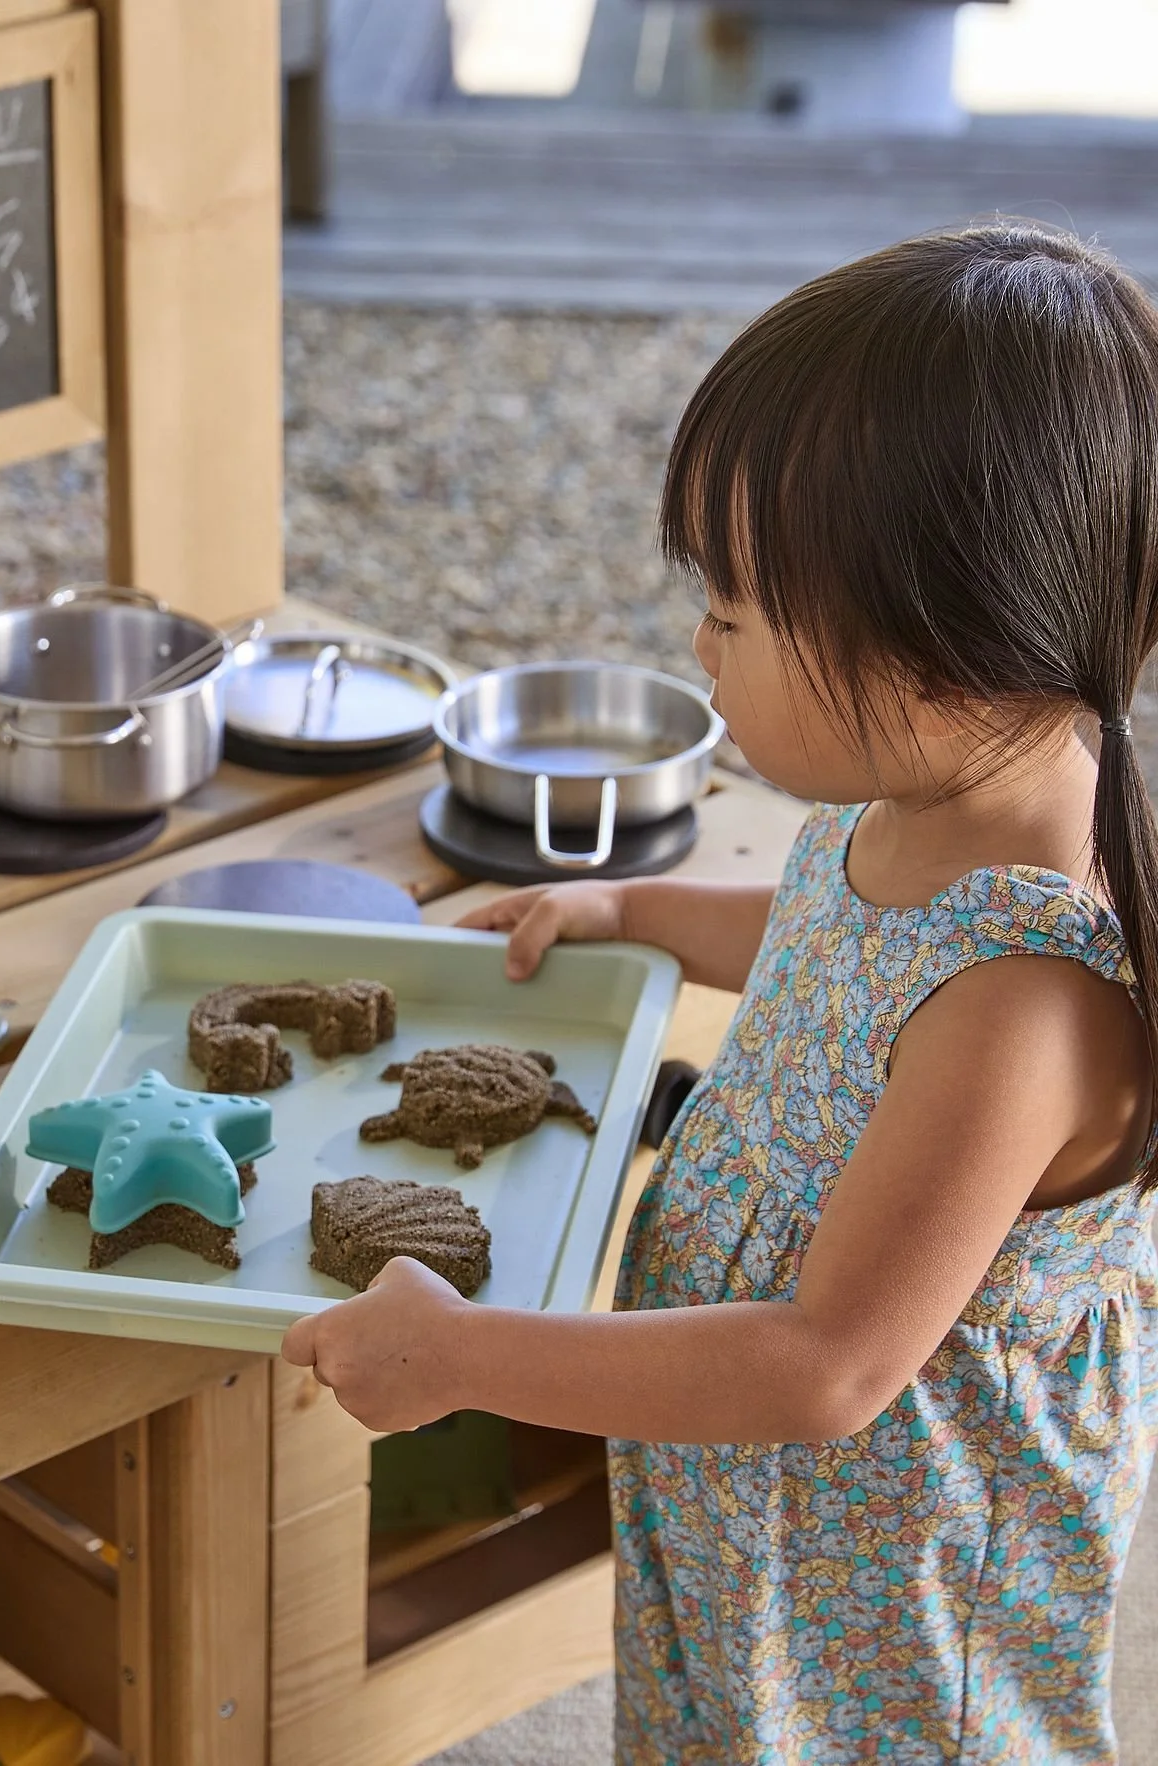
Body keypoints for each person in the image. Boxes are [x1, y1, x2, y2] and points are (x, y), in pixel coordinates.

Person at [282, 226, 1158, 1763]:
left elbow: (824, 1366)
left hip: (889, 1582)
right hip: (756, 1511)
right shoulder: (937, 791)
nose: (702, 640)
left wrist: (466, 1359)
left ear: (952, 646)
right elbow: (827, 925)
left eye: (740, 612)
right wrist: (639, 910)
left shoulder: (1025, 999)